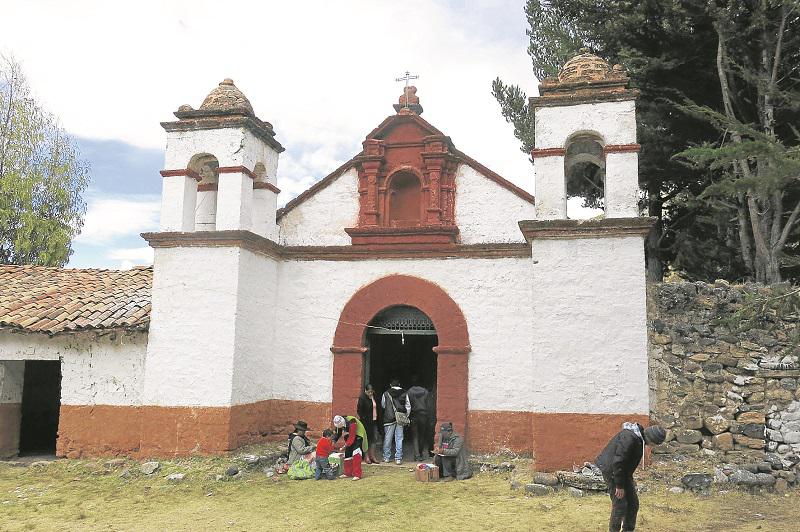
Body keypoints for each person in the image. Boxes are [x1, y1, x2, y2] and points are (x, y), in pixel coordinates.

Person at [595, 423, 666, 532]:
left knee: (633, 503)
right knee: (620, 505)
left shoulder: (638, 439)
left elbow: (626, 462)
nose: (652, 446)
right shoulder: (629, 439)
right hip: (612, 472)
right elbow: (618, 462)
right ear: (651, 439)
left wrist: (629, 479)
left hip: (622, 473)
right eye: (654, 444)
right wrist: (619, 486)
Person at [381, 379, 410, 464]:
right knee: (399, 438)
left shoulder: (386, 393)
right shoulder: (405, 392)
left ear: (390, 385)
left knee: (388, 438)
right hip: (400, 418)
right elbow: (408, 406)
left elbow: (383, 405)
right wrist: (405, 416)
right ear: (399, 384)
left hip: (388, 418)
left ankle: (386, 457)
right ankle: (398, 458)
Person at [333, 414, 368, 481]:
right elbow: (338, 434)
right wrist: (333, 441)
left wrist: (344, 446)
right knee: (348, 453)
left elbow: (352, 437)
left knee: (356, 453)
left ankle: (357, 474)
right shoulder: (338, 423)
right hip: (349, 435)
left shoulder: (352, 422)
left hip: (358, 435)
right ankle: (347, 473)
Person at [406, 378, 432, 461]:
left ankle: (417, 455)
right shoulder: (425, 391)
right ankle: (420, 453)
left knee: (415, 436)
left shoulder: (409, 392)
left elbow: (408, 405)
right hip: (424, 415)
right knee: (422, 435)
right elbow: (428, 405)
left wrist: (407, 416)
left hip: (413, 415)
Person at [357, 383, 382, 464]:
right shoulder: (362, 398)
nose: (370, 393)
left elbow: (378, 407)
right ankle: (366, 456)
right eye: (369, 392)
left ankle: (373, 456)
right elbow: (359, 411)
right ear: (365, 391)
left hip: (374, 421)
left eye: (371, 392)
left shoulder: (375, 397)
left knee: (374, 439)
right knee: (366, 439)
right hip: (366, 422)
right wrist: (364, 418)